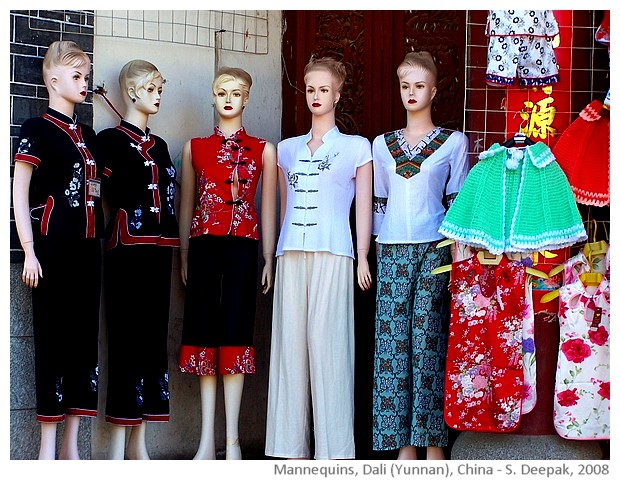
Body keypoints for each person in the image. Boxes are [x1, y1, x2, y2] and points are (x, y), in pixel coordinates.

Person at [265, 56, 373, 460]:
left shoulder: (355, 148)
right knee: (289, 350)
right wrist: (269, 256)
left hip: (334, 252)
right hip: (291, 252)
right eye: (310, 88)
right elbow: (278, 205)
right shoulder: (287, 151)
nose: (316, 96)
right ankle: (289, 449)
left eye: (324, 89)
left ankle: (335, 451)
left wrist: (362, 256)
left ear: (338, 94)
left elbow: (362, 207)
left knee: (330, 350)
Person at [370, 51, 469, 460]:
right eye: (405, 85)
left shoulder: (453, 143)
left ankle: (433, 444)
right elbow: (377, 203)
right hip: (391, 248)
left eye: (419, 85)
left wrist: (459, 258)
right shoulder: (382, 144)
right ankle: (403, 446)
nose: (411, 93)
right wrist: (369, 255)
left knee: (428, 343)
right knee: (392, 348)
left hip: (435, 249)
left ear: (433, 89)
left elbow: (458, 204)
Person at [177, 67, 277, 460]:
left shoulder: (263, 149)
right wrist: (184, 253)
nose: (229, 99)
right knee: (204, 336)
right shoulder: (194, 148)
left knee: (236, 335)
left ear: (248, 98)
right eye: (222, 92)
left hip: (243, 247)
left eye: (237, 93)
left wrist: (268, 256)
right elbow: (186, 207)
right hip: (202, 247)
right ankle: (206, 441)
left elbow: (266, 206)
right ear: (213, 97)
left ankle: (232, 439)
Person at [12, 40, 104, 460]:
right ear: (52, 80)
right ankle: (47, 449)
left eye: (85, 76)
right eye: (76, 76)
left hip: (88, 251)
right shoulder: (36, 129)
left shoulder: (88, 136)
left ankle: (72, 447)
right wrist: (28, 250)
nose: (83, 83)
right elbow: (19, 189)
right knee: (51, 340)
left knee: (83, 342)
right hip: (51, 250)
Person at [97, 60, 179, 460]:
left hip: (160, 251)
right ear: (131, 91)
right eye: (150, 88)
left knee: (152, 342)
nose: (158, 95)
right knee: (126, 342)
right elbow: (97, 197)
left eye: (160, 88)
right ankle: (115, 447)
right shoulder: (108, 141)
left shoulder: (161, 146)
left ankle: (139, 445)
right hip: (125, 252)